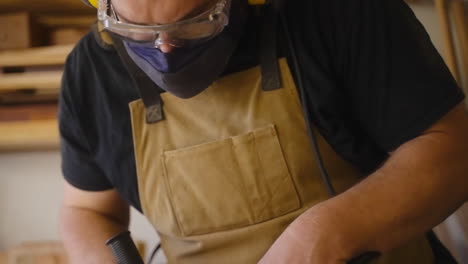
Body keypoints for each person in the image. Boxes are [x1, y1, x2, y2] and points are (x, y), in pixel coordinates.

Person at [58, 0, 468, 263]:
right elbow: (86, 210)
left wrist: (325, 236)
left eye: (195, 24)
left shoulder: (340, 13)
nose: (164, 50)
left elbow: (452, 153)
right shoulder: (90, 70)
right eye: (137, 32)